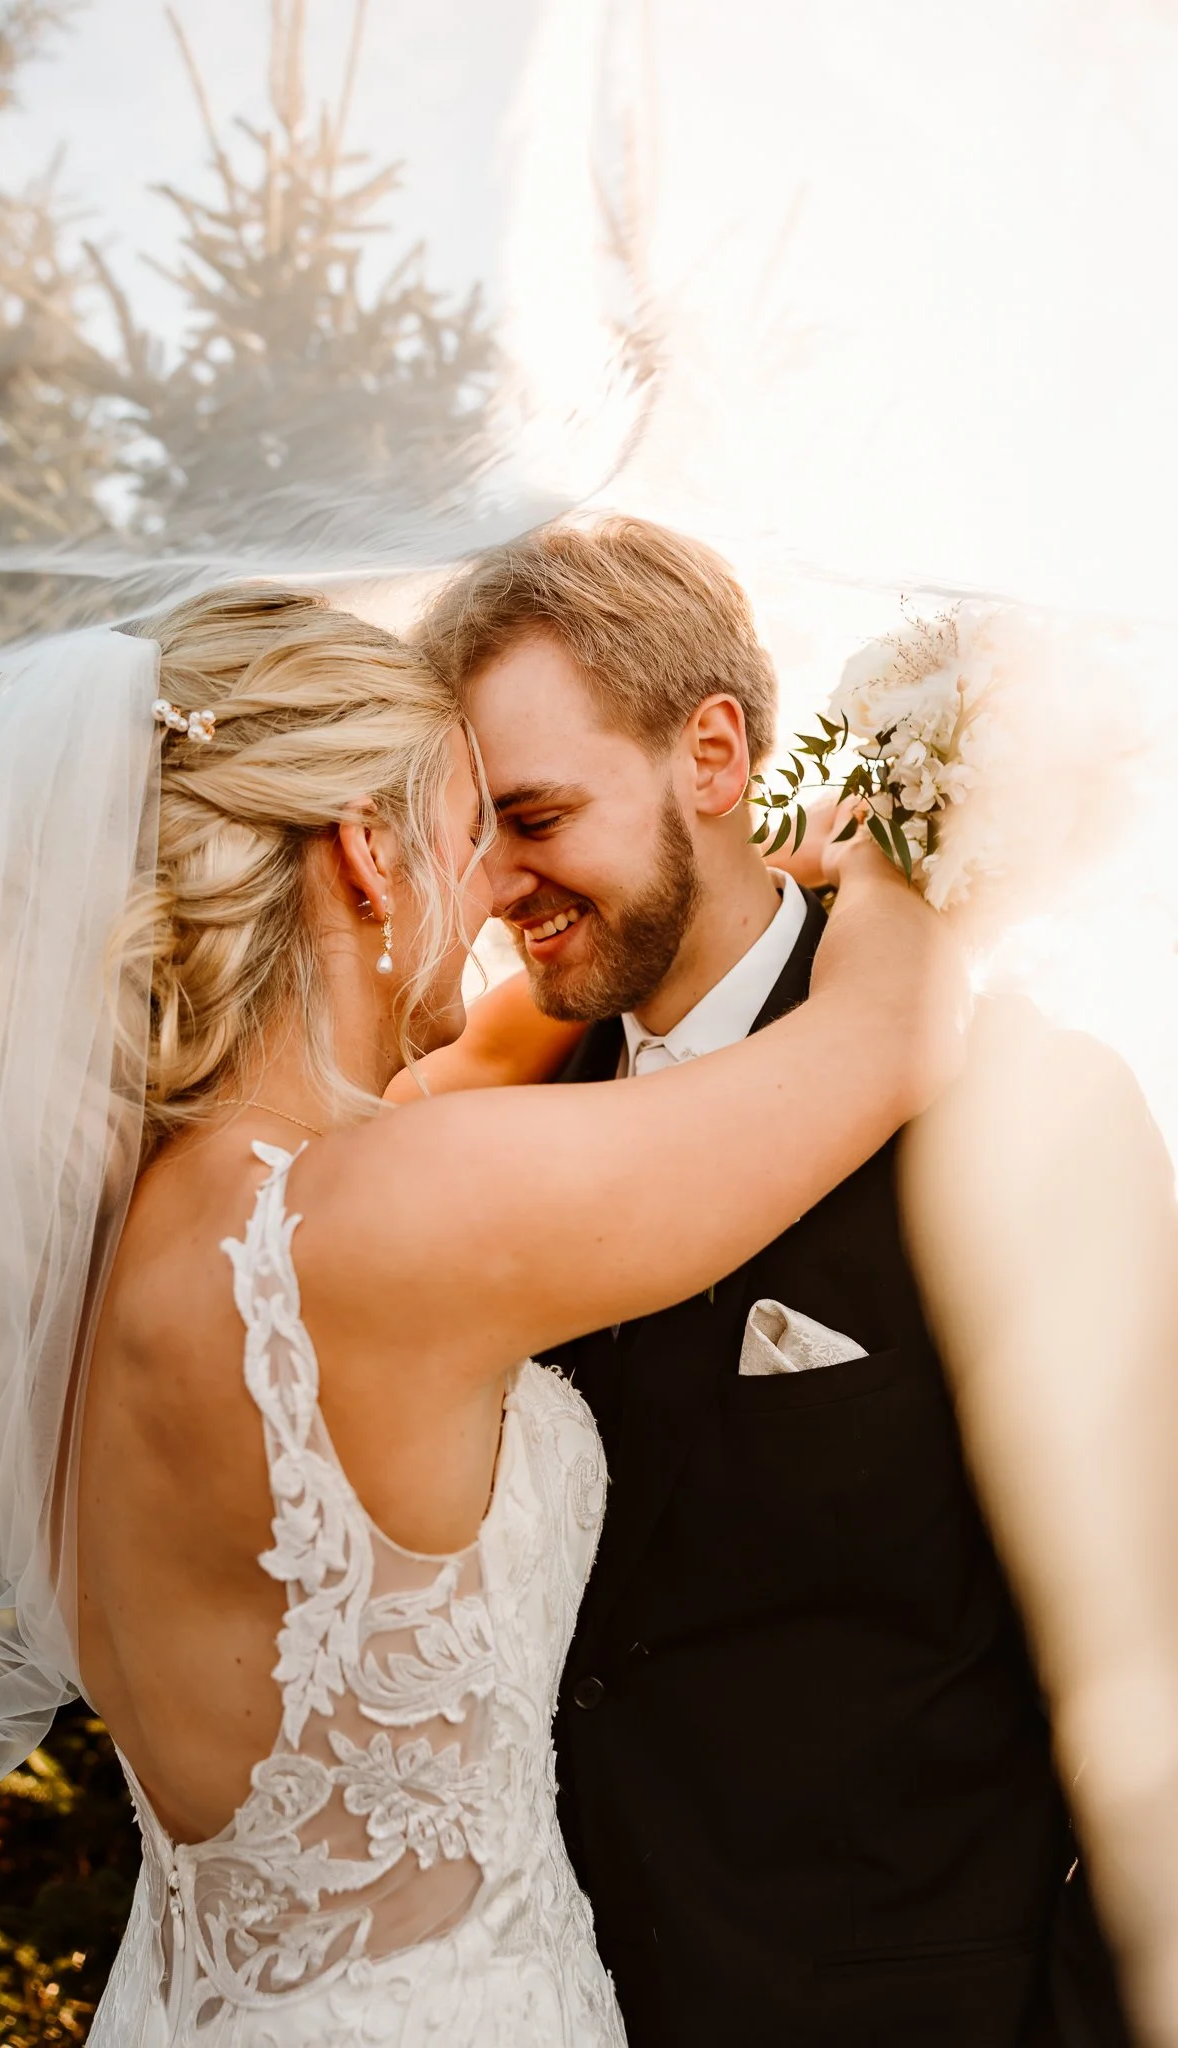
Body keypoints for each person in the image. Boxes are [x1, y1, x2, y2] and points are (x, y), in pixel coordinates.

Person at [0, 582, 950, 2048]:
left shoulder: (82, 1248)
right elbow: (880, 1035)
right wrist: (899, 851)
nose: (487, 894)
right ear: (366, 851)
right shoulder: (377, 1217)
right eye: (468, 834)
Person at [412, 515, 1138, 2048]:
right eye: (467, 835)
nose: (490, 890)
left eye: (533, 816)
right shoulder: (481, 1145)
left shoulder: (1021, 1103)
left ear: (716, 755)